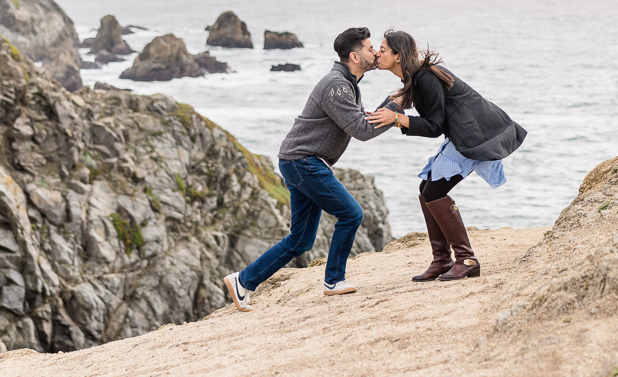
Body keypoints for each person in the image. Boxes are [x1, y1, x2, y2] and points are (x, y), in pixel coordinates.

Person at [223, 27, 400, 311]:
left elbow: (362, 120)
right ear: (354, 56)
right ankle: (334, 280)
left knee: (301, 240)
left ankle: (243, 281)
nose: (376, 52)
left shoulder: (347, 83)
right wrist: (395, 112)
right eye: (370, 49)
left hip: (298, 161)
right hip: (303, 161)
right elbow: (363, 131)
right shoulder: (337, 86)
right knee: (351, 213)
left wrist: (392, 103)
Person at [368, 29, 526, 281]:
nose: (377, 53)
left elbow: (434, 127)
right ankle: (442, 260)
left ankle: (467, 259)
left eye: (383, 49)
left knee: (433, 191)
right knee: (426, 188)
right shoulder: (413, 79)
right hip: (466, 134)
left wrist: (398, 118)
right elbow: (382, 115)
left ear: (398, 56)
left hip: (477, 135)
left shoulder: (424, 78)